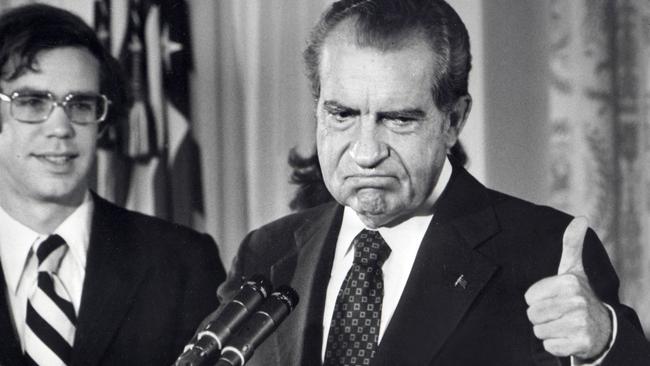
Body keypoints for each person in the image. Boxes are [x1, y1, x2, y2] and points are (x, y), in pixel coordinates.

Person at [216, 0, 650, 365]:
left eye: (398, 119)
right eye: (342, 114)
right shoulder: (267, 253)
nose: (366, 152)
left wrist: (601, 346)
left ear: (454, 120)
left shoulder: (544, 253)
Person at [0, 4, 225, 365]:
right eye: (31, 102)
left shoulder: (183, 263)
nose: (60, 128)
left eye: (81, 105)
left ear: (101, 120)